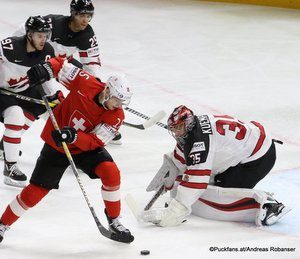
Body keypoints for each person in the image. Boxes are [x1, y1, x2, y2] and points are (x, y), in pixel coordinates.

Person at [0, 57, 134, 243]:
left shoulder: (116, 116)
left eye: (122, 102)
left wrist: (75, 136)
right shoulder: (85, 81)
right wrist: (46, 69)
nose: (119, 106)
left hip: (84, 149)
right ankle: (2, 224)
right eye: (117, 100)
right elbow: (61, 65)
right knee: (35, 192)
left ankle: (114, 220)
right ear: (107, 90)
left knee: (111, 172)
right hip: (57, 145)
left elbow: (96, 141)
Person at [140, 105, 291, 227]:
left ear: (188, 123)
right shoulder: (193, 128)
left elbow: (197, 182)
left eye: (178, 127)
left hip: (260, 158)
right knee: (196, 181)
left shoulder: (199, 140)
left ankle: (268, 206)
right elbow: (183, 157)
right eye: (173, 129)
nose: (175, 132)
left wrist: (176, 210)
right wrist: (172, 168)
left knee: (220, 193)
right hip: (251, 147)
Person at [0, 16, 62, 187]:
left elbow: (46, 77)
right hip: (2, 92)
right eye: (39, 35)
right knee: (16, 116)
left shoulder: (48, 50)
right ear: (29, 35)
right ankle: (10, 167)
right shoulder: (9, 46)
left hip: (25, 88)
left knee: (49, 110)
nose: (44, 39)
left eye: (46, 35)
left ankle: (5, 143)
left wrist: (55, 94)